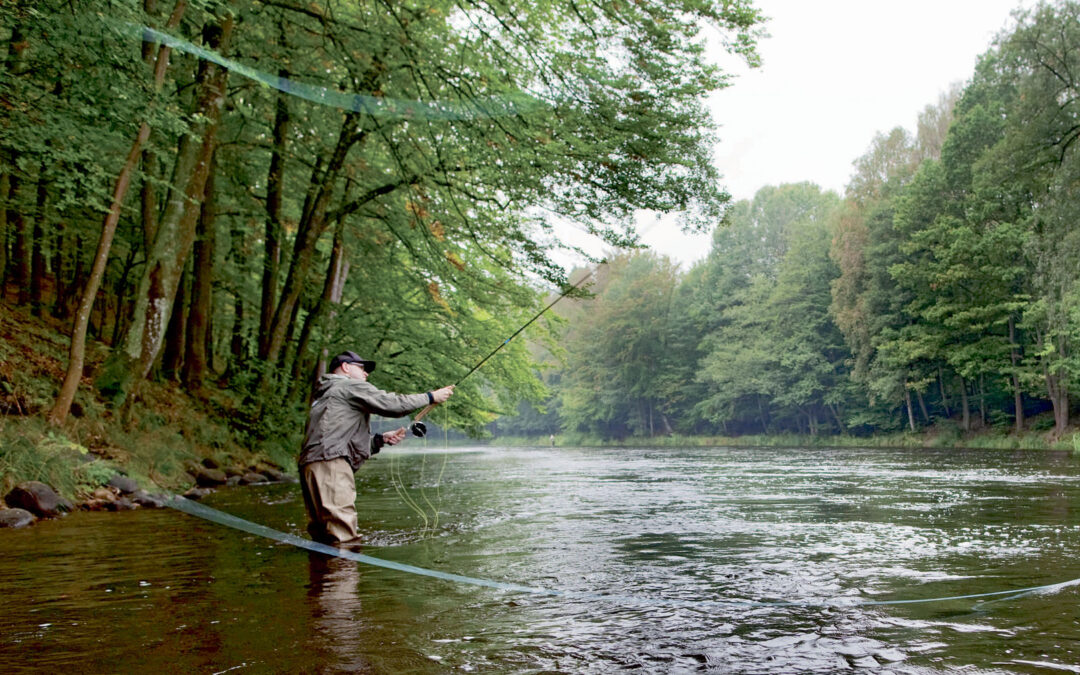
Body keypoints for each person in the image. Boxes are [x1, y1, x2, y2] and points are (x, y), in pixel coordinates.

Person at [298, 350, 454, 547]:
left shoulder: (326, 393)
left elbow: (335, 438)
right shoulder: (347, 386)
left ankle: (324, 568)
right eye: (362, 368)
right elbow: (392, 404)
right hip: (330, 464)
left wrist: (379, 440)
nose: (366, 374)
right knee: (343, 537)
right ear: (346, 367)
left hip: (312, 466)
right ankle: (345, 568)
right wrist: (431, 396)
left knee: (323, 537)